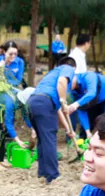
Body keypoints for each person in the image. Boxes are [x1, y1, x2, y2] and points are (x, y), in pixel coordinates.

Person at [27, 56, 77, 184]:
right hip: (44, 103)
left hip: (33, 102)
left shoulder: (51, 74)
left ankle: (43, 171)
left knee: (43, 138)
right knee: (49, 138)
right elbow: (62, 82)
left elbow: (58, 111)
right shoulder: (67, 68)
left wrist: (68, 130)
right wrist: (63, 100)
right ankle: (52, 175)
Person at [0, 87, 36, 170]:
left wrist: (32, 128)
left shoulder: (21, 100)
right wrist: (18, 141)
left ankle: (0, 160)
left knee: (2, 133)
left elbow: (25, 115)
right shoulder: (11, 102)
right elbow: (9, 124)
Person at [67, 72, 105, 139]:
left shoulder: (88, 76)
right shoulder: (74, 92)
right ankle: (84, 143)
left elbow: (92, 93)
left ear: (73, 76)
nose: (67, 87)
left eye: (68, 82)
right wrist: (88, 132)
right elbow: (82, 110)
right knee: (87, 125)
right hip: (95, 101)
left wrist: (76, 104)